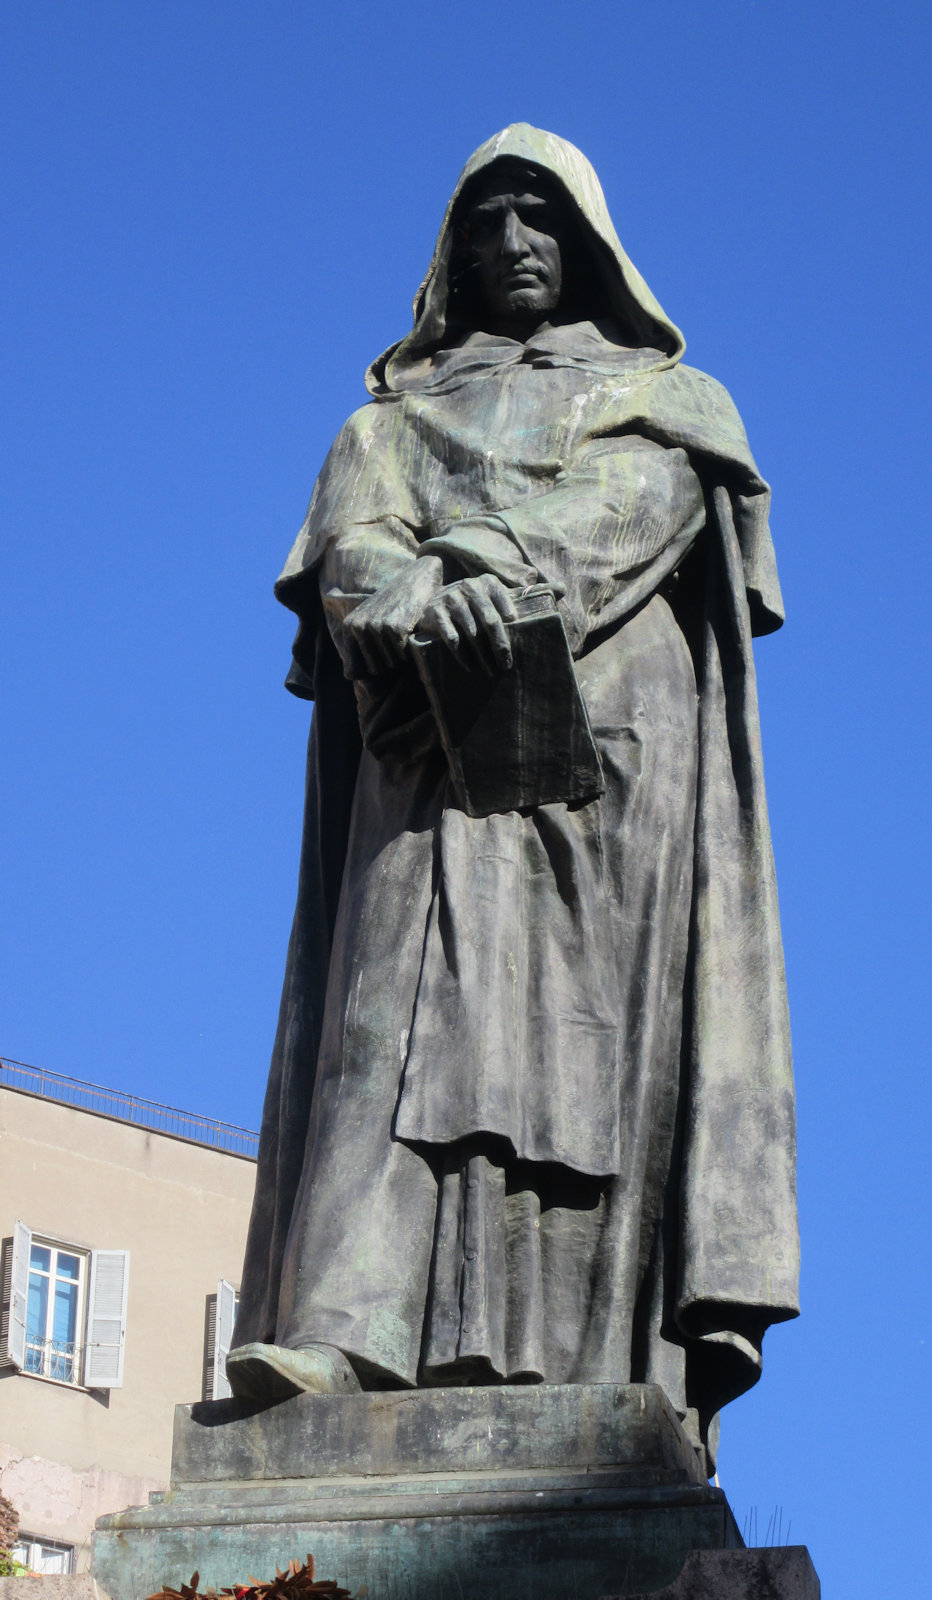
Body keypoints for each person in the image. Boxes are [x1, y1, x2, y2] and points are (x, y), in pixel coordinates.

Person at [227, 124, 799, 1471]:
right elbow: (353, 542)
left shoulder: (671, 401)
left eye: (542, 218)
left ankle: (588, 1363)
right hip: (424, 754)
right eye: (488, 222)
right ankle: (344, 1324)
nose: (515, 245)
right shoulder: (383, 421)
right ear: (454, 252)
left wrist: (474, 557)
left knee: (581, 1061)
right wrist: (408, 592)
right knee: (390, 1021)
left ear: (590, 243)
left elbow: (631, 511)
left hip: (603, 777)